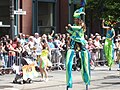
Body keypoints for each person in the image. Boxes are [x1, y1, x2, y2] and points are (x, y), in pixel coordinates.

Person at [65, 8, 90, 88]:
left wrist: (71, 27)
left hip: (80, 42)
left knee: (85, 60)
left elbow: (79, 29)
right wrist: (68, 30)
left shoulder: (81, 25)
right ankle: (69, 82)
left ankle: (86, 79)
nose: (75, 20)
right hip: (74, 41)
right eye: (74, 19)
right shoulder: (75, 25)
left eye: (76, 19)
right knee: (69, 60)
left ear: (79, 19)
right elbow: (73, 33)